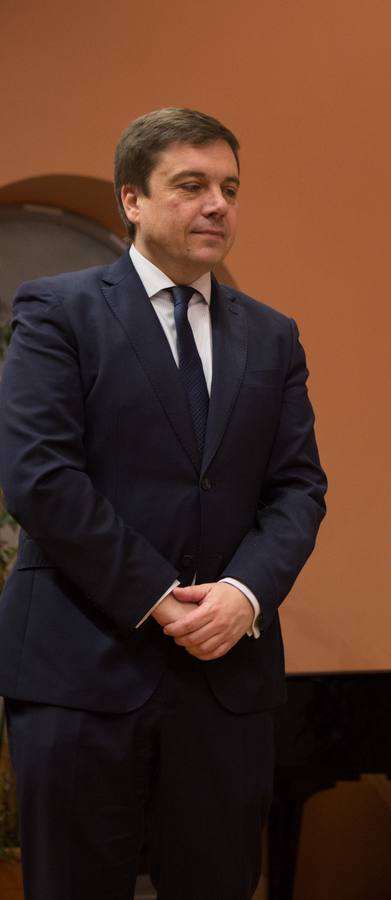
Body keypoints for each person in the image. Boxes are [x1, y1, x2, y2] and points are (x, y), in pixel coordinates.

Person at [0, 107, 327, 899]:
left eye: (229, 188)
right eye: (191, 185)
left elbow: (298, 488)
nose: (218, 204)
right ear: (132, 200)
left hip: (226, 676)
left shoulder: (273, 336)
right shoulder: (58, 311)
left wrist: (242, 595)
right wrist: (158, 597)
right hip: (82, 666)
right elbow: (41, 475)